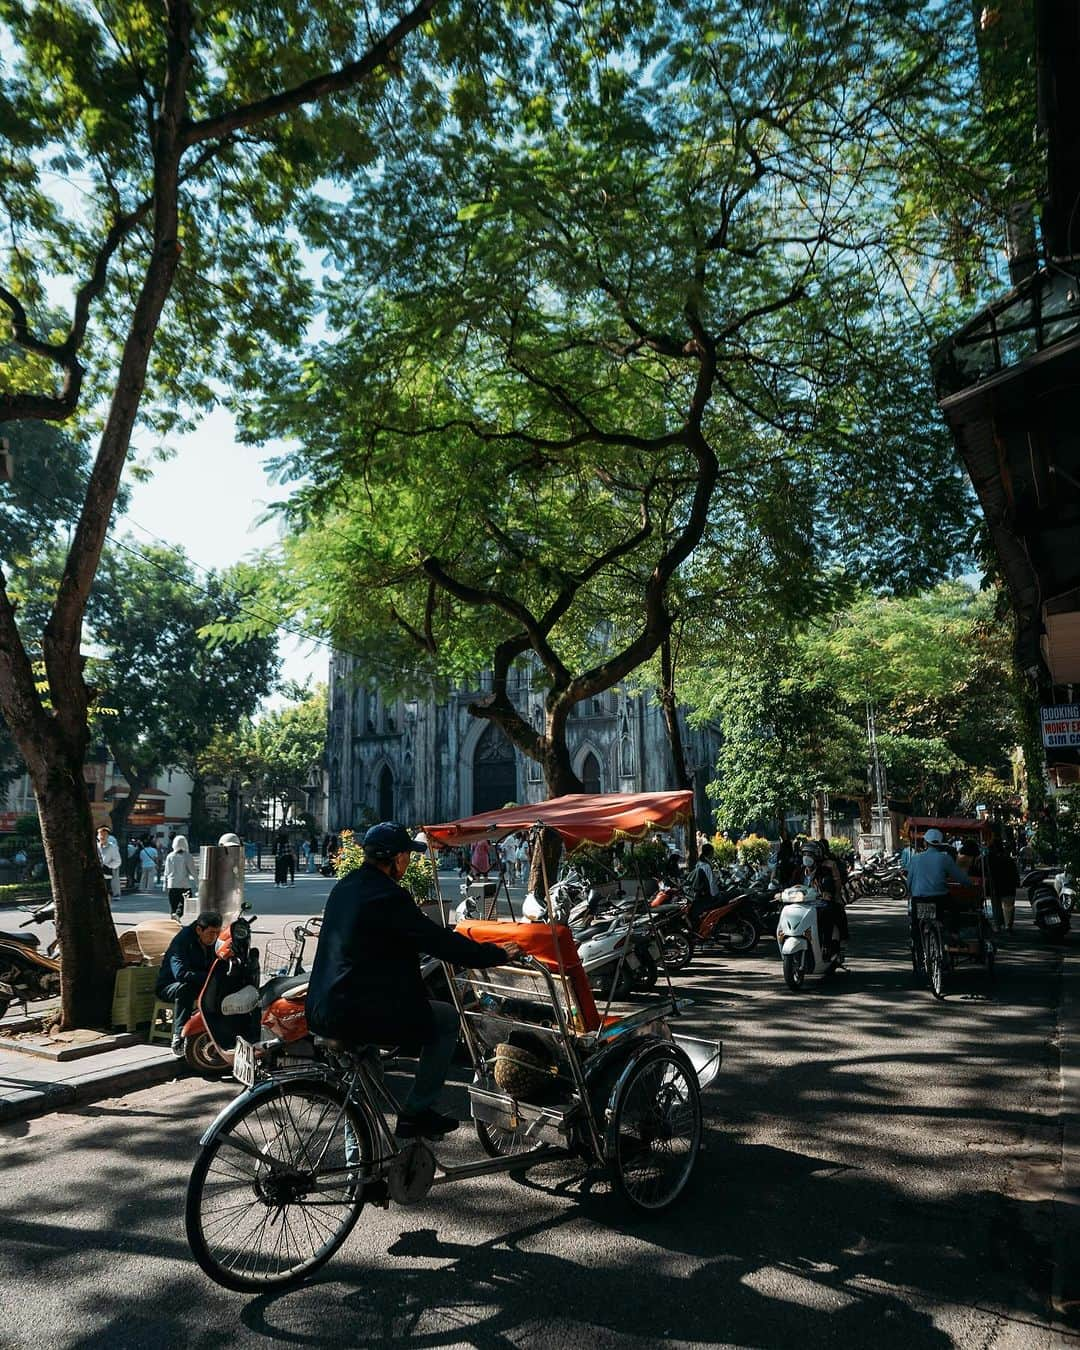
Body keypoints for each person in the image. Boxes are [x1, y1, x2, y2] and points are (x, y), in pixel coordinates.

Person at [306, 821, 520, 1138]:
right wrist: (496, 954)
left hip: (323, 1006)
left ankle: (364, 1178)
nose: (409, 862)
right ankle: (417, 1112)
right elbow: (438, 942)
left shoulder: (345, 888)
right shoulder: (388, 896)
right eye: (407, 855)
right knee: (446, 1019)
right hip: (355, 1010)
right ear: (396, 858)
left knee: (363, 1096)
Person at [156, 910, 222, 1056]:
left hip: (198, 983)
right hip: (170, 986)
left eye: (217, 932)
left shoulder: (213, 941)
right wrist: (209, 977)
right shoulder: (182, 941)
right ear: (199, 929)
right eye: (211, 933)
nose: (215, 937)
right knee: (186, 988)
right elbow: (180, 974)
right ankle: (179, 1037)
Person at [905, 827, 971, 968]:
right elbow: (960, 877)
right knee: (955, 909)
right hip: (940, 899)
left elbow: (908, 882)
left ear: (925, 843)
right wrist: (968, 883)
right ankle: (953, 934)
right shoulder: (945, 858)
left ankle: (919, 952)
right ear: (940, 844)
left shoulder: (915, 859)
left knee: (916, 927)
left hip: (919, 899)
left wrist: (911, 892)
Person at [163, 834, 199, 921]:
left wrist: (165, 884)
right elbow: (193, 871)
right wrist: (198, 883)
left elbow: (166, 872)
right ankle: (178, 916)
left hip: (172, 885)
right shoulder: (187, 856)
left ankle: (174, 920)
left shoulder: (170, 856)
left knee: (173, 906)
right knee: (185, 903)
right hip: (184, 885)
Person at [686, 843, 719, 925]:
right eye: (712, 852)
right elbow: (710, 882)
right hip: (706, 894)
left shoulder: (700, 863)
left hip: (700, 892)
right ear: (710, 852)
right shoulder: (706, 866)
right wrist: (715, 895)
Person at [96, 826, 122, 899]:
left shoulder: (112, 847)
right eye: (100, 834)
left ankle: (115, 894)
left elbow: (118, 861)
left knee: (107, 889)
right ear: (98, 836)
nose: (102, 836)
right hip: (95, 871)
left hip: (107, 872)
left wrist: (107, 866)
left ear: (108, 836)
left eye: (104, 835)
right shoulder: (95, 846)